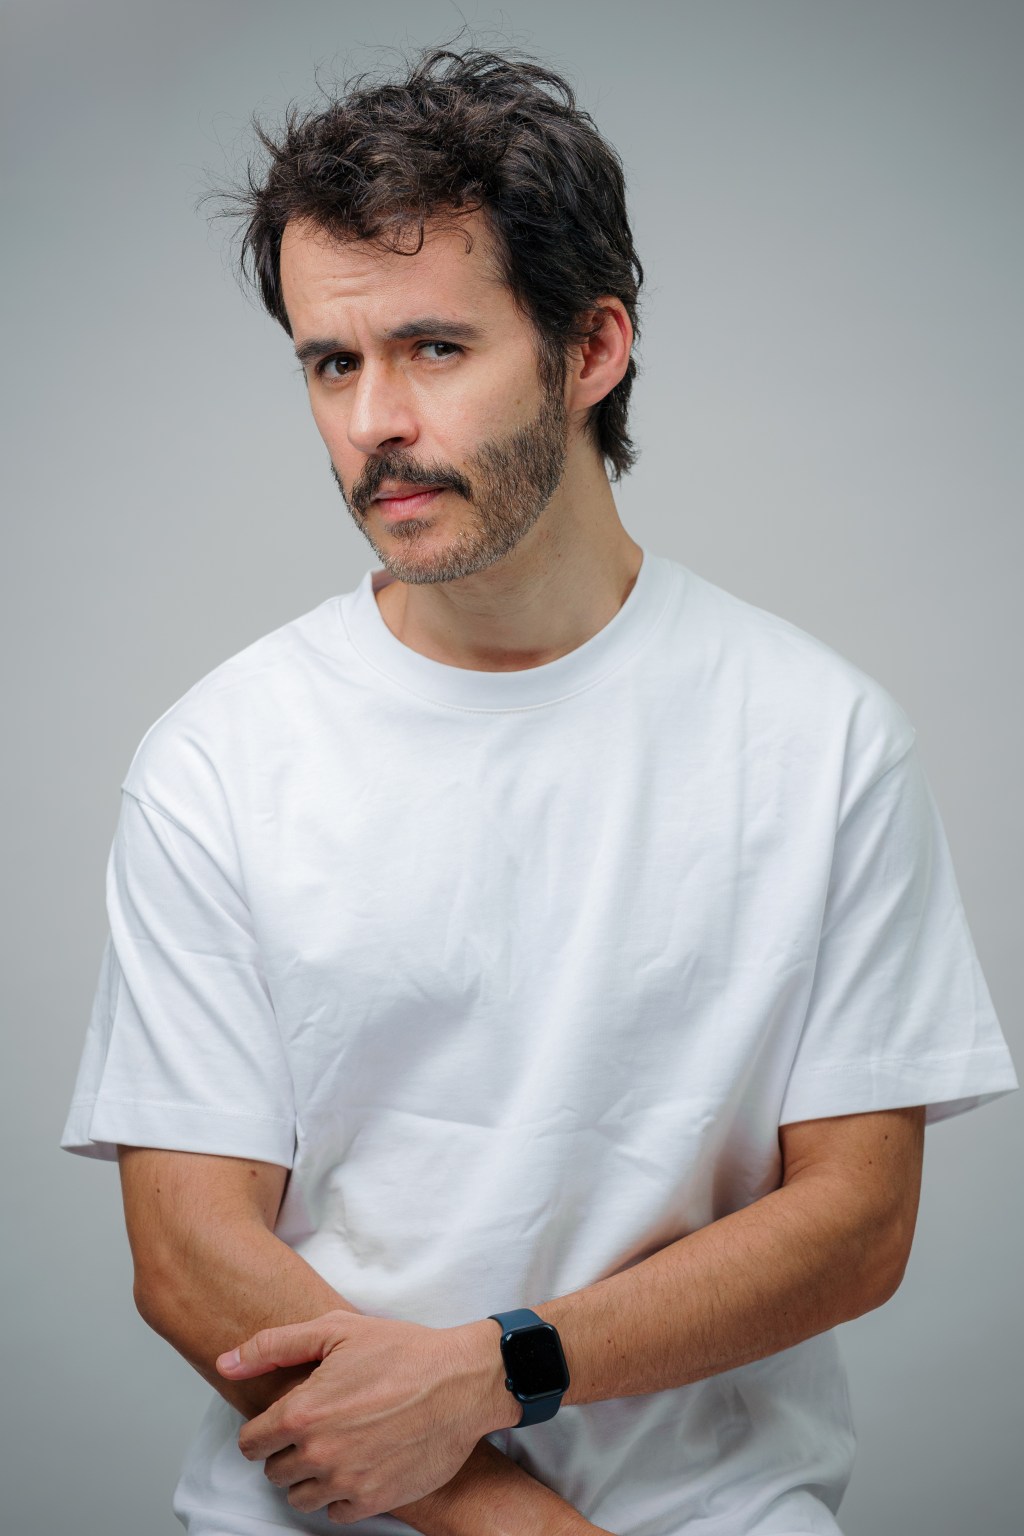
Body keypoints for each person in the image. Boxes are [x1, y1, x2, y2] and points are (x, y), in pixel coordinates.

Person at [61, 41, 1017, 1536]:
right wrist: (517, 1521)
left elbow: (856, 1221)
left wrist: (495, 1373)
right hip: (325, 1511)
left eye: (435, 348)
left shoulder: (821, 738)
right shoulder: (221, 756)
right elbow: (188, 1251)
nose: (373, 420)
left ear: (591, 350)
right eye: (332, 362)